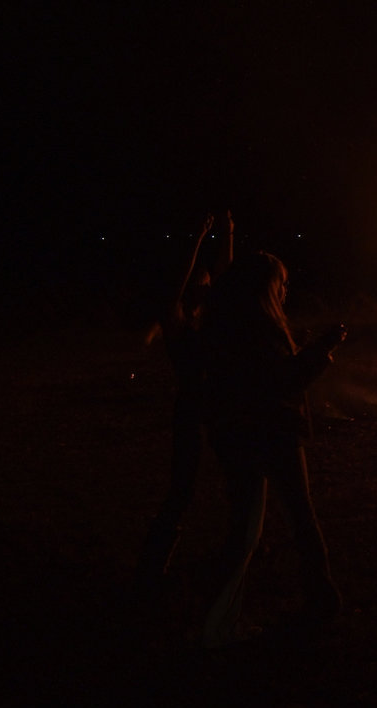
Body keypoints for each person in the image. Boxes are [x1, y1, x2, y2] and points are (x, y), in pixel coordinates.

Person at [199, 249, 346, 647]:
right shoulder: (258, 328)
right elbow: (281, 381)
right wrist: (323, 348)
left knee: (251, 527)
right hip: (267, 432)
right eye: (280, 285)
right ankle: (219, 626)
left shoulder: (231, 323)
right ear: (264, 288)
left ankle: (223, 620)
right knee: (289, 520)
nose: (284, 292)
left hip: (239, 433)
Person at [135, 210, 233, 598]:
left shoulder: (210, 318)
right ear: (194, 288)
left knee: (236, 483)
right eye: (203, 283)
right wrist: (197, 239)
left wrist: (226, 233)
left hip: (220, 408)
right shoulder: (177, 321)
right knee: (182, 489)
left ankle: (239, 548)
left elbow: (226, 274)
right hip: (193, 410)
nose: (210, 287)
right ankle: (153, 565)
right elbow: (176, 285)